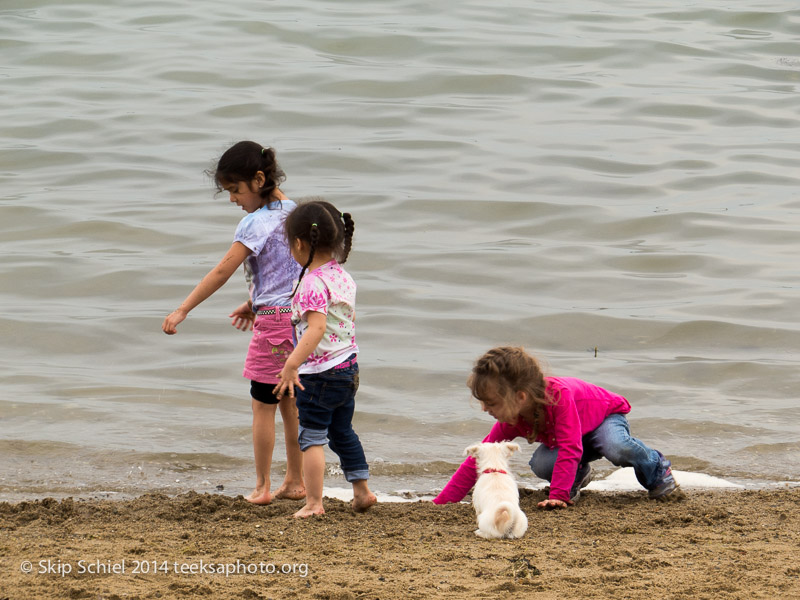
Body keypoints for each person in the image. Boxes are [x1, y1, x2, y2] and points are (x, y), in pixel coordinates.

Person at [162, 141, 305, 505]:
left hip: (273, 324)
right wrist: (252, 302)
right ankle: (296, 481)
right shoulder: (298, 214)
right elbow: (291, 273)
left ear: (258, 179)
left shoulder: (255, 222)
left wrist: (183, 309)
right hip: (302, 320)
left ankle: (261, 486)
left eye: (235, 190)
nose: (233, 199)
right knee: (291, 404)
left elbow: (223, 269)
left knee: (262, 405)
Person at [433, 347, 680, 508]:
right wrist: (443, 502)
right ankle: (578, 474)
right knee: (541, 465)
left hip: (603, 419)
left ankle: (656, 470)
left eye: (491, 403)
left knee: (615, 446)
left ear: (520, 397)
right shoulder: (512, 418)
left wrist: (558, 496)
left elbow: (570, 447)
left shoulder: (558, 396)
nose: (485, 409)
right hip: (572, 439)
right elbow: (480, 459)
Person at [274, 199, 377, 518]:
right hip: (349, 368)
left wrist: (291, 365)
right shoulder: (342, 277)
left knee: (312, 438)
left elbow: (316, 328)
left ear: (300, 243)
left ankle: (314, 502)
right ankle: (362, 492)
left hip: (320, 374)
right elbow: (346, 318)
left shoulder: (311, 283)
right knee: (343, 431)